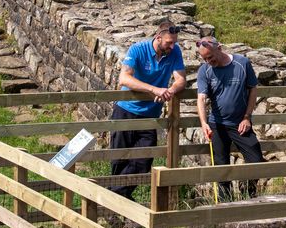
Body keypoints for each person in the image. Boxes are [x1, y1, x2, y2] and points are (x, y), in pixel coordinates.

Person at [109, 20, 186, 201]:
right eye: (169, 42)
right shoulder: (137, 49)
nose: (172, 46)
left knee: (143, 161)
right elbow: (124, 79)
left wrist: (170, 91)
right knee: (119, 158)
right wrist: (153, 89)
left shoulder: (175, 52)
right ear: (158, 38)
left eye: (174, 42)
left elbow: (180, 79)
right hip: (125, 110)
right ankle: (118, 203)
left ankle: (113, 196)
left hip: (150, 115)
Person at [196, 36, 265, 201]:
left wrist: (247, 117)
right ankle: (224, 204)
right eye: (204, 58)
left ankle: (249, 193)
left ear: (219, 48)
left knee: (256, 160)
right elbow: (201, 98)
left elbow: (252, 89)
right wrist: (204, 123)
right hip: (217, 124)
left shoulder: (242, 64)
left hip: (240, 123)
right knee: (221, 167)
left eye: (210, 57)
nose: (208, 61)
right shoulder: (204, 70)